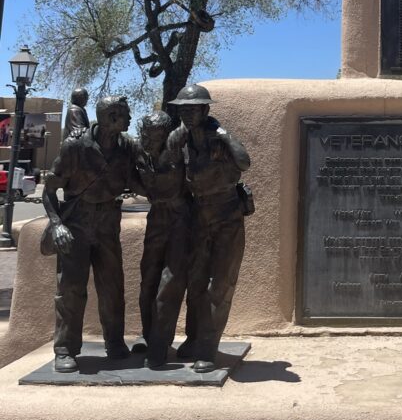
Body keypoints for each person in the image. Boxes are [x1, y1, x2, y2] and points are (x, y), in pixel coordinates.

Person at [42, 95, 136, 373]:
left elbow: (142, 178)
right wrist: (57, 225)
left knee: (112, 286)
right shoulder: (75, 147)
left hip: (108, 222)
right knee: (71, 288)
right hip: (77, 223)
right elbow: (49, 192)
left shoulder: (126, 147)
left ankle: (115, 343)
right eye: (125, 115)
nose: (130, 119)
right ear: (111, 118)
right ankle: (64, 349)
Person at [167, 84, 250, 373]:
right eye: (182, 110)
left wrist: (225, 136)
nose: (187, 115)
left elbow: (244, 162)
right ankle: (194, 339)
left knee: (221, 284)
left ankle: (208, 348)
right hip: (198, 216)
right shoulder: (181, 138)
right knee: (197, 282)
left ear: (205, 110)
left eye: (193, 109)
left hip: (227, 215)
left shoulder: (220, 137)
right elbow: (170, 167)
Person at [132, 110, 191, 369]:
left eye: (154, 136)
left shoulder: (181, 150)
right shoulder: (141, 154)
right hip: (157, 219)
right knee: (148, 282)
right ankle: (151, 336)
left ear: (166, 135)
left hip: (181, 221)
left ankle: (159, 344)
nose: (148, 140)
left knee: (170, 283)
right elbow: (131, 179)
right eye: (146, 134)